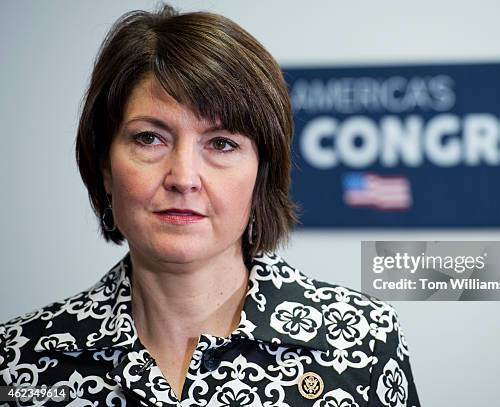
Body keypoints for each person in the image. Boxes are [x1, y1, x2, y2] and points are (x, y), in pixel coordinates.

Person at [0, 4, 420, 406]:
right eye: (150, 138)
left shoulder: (361, 343)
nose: (183, 178)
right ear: (105, 167)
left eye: (221, 143)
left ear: (261, 173)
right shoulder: (20, 363)